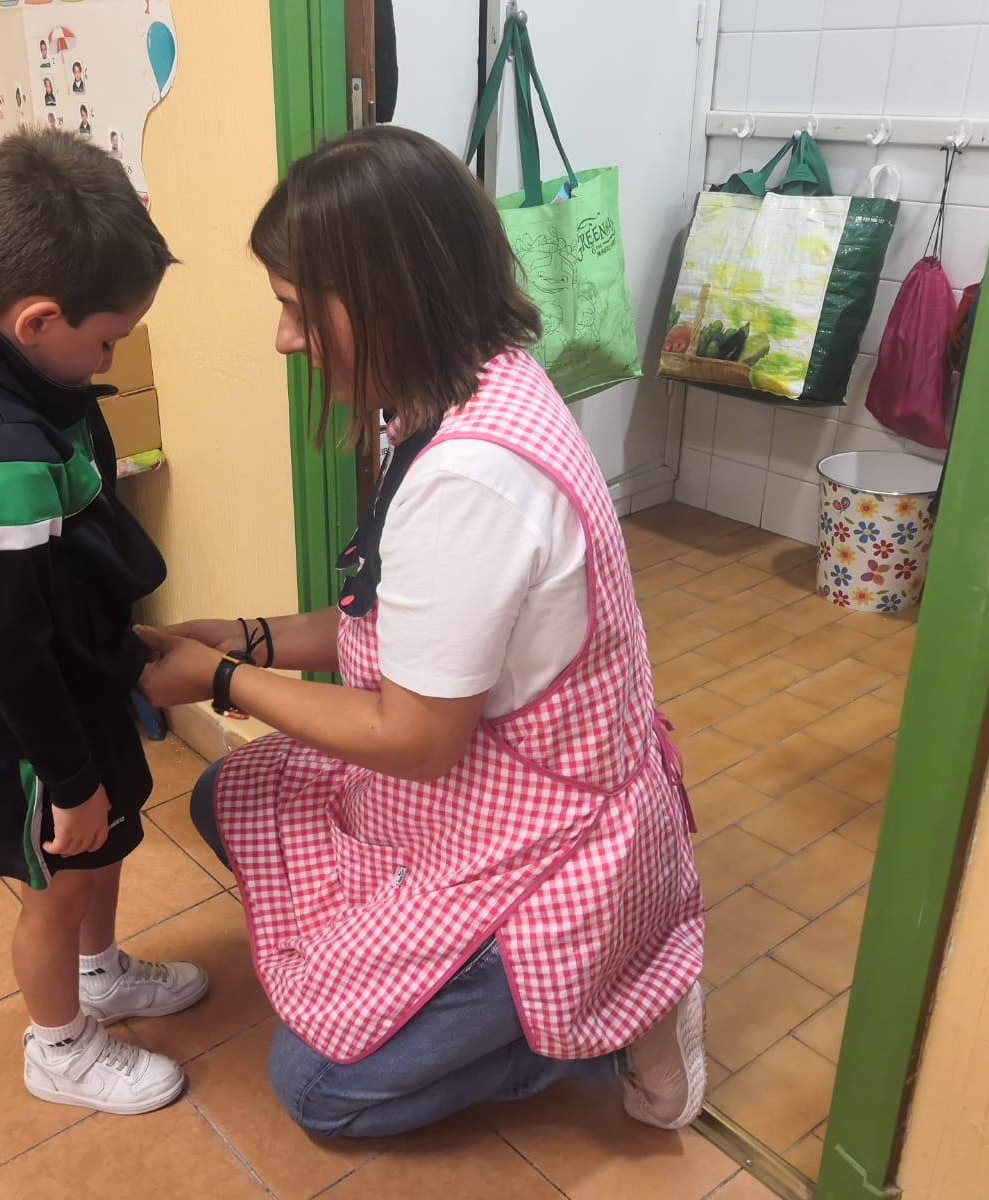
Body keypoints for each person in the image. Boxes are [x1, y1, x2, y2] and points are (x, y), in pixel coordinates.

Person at [136, 125, 706, 1141]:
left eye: (298, 312)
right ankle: (454, 972)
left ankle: (612, 1011)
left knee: (319, 1092)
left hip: (544, 838)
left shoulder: (473, 481)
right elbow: (389, 619)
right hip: (474, 791)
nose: (283, 340)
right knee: (236, 791)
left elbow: (417, 735)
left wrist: (221, 682)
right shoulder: (455, 395)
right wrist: (247, 636)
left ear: (392, 299)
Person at [0, 127, 200, 1117]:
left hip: (78, 679)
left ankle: (100, 974)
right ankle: (58, 1044)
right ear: (36, 319)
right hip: (33, 720)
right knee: (59, 879)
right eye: (108, 340)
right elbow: (9, 649)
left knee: (104, 846)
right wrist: (67, 782)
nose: (111, 357)